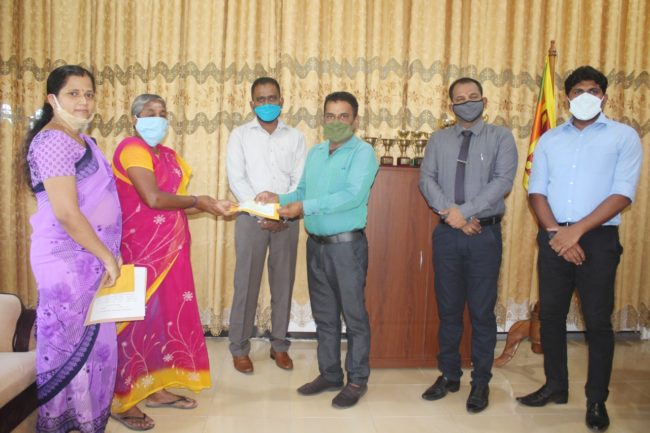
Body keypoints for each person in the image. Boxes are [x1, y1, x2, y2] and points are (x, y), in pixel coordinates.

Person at [517, 66, 642, 431]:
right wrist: (557, 233)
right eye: (577, 91)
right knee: (551, 316)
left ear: (604, 96)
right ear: (567, 98)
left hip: (598, 237)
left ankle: (596, 400)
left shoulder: (623, 136)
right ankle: (555, 386)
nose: (585, 96)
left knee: (598, 322)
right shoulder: (550, 139)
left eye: (593, 90)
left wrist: (577, 232)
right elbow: (536, 191)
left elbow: (623, 193)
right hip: (553, 233)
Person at [110, 94, 234, 430]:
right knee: (135, 321)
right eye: (149, 112)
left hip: (171, 251)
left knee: (161, 319)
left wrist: (212, 205)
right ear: (133, 119)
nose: (157, 118)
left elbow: (175, 205)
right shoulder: (132, 148)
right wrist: (199, 200)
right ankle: (122, 399)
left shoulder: (167, 155)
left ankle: (155, 389)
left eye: (162, 113)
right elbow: (153, 198)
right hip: (141, 250)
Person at [257, 91, 379, 409]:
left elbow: (352, 195)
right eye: (330, 116)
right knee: (324, 316)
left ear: (355, 120)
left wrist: (304, 206)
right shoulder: (316, 152)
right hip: (317, 246)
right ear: (323, 119)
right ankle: (330, 374)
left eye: (343, 116)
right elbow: (302, 191)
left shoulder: (363, 153)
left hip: (346, 247)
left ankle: (357, 379)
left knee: (353, 316)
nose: (336, 121)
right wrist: (278, 198)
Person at [24, 64, 121, 433]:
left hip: (93, 257)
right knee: (68, 345)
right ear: (53, 99)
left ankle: (87, 421)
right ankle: (63, 421)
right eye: (73, 93)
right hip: (66, 262)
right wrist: (106, 254)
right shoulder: (52, 141)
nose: (83, 101)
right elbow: (66, 212)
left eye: (89, 94)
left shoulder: (85, 141)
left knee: (96, 347)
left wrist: (108, 251)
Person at [419, 77, 518, 413]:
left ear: (484, 101)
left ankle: (481, 381)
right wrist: (453, 215)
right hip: (448, 234)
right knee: (448, 310)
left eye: (473, 96)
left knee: (481, 312)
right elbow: (426, 180)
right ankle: (449, 375)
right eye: (459, 99)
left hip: (484, 236)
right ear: (451, 106)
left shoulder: (501, 137)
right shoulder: (439, 139)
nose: (467, 102)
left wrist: (466, 212)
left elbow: (502, 182)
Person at [225, 77, 306, 373]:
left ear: (282, 101)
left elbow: (300, 180)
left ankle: (279, 345)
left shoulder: (296, 137)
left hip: (287, 218)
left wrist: (281, 214)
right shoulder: (239, 135)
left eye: (272, 98)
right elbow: (237, 179)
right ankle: (239, 347)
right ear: (252, 104)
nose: (267, 103)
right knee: (245, 283)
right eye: (261, 99)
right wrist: (264, 213)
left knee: (283, 283)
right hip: (251, 218)